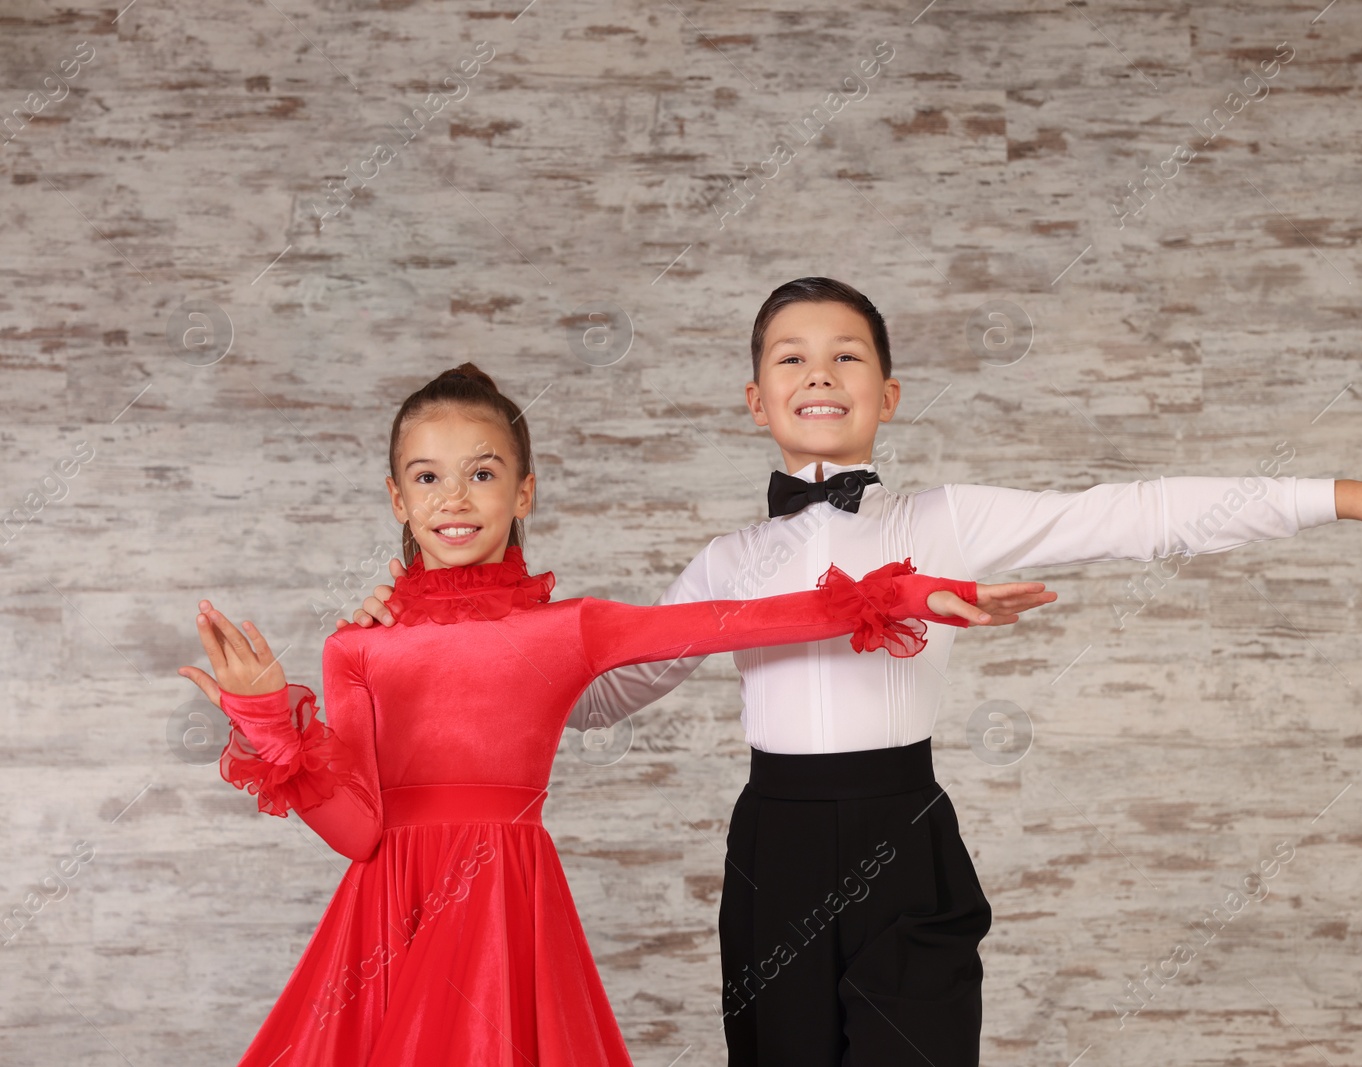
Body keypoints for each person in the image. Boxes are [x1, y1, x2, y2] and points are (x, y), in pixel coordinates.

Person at [344, 281, 1362, 1066]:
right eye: (790, 357)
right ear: (754, 400)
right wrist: (435, 630)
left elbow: (1137, 513)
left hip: (905, 833)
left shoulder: (949, 519)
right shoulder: (726, 560)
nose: (820, 371)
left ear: (888, 394)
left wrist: (1351, 497)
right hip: (775, 847)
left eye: (848, 354)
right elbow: (588, 697)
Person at [176, 362, 1052, 1067]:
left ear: (523, 494)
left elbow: (736, 619)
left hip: (503, 912)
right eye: (428, 477)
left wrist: (901, 590)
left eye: (483, 473)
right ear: (397, 499)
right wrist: (268, 721)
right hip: (385, 926)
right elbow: (359, 832)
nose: (455, 497)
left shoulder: (570, 629)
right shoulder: (357, 646)